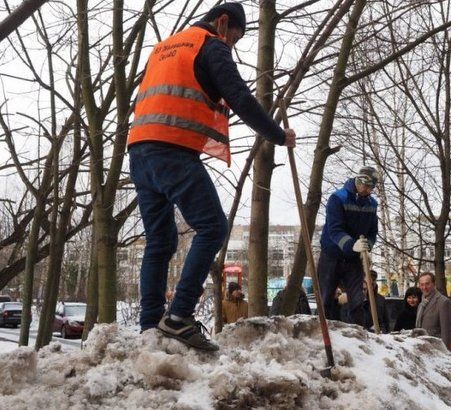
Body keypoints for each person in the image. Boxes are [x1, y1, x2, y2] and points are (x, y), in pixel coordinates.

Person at [127, 2, 296, 351]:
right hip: (172, 150)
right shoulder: (211, 45)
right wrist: (278, 135)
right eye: (234, 37)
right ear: (222, 23)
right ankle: (178, 317)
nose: (231, 45)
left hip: (139, 150)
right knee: (214, 226)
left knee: (160, 240)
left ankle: (150, 325)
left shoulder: (164, 48)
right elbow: (240, 98)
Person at [318, 166, 379, 327]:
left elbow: (373, 232)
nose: (366, 190)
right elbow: (335, 230)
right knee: (326, 298)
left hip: (354, 259)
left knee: (357, 299)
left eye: (370, 188)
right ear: (358, 181)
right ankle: (326, 332)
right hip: (331, 256)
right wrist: (352, 245)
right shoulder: (338, 198)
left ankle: (359, 333)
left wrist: (367, 246)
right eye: (364, 186)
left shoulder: (372, 204)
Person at [416, 272, 451, 351]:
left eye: (427, 284)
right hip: (424, 350)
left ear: (433, 284)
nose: (424, 287)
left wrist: (445, 353)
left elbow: (446, 333)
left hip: (437, 351)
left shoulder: (443, 302)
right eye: (422, 284)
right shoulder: (422, 303)